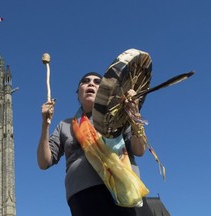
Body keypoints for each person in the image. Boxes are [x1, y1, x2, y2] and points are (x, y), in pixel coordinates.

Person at [37, 72, 152, 216]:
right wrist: (45, 124)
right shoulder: (65, 125)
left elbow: (139, 150)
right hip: (84, 196)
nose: (91, 83)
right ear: (78, 93)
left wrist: (134, 114)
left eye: (97, 82)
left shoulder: (120, 117)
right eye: (85, 81)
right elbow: (44, 162)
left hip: (127, 190)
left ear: (105, 91)